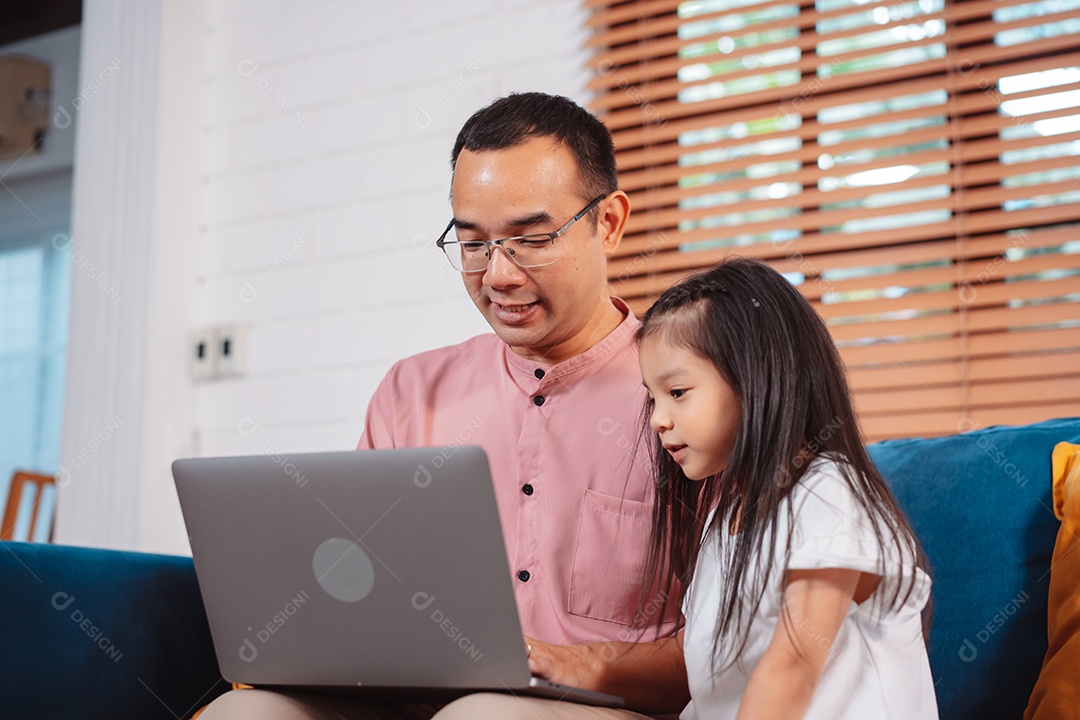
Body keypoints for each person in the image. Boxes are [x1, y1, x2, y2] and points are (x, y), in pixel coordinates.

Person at [198, 93, 687, 720]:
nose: (498, 275)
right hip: (414, 704)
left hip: (597, 707)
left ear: (609, 223)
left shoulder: (687, 392)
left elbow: (739, 638)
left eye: (531, 239)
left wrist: (581, 661)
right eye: (473, 243)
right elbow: (352, 596)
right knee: (242, 715)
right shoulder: (410, 391)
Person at [635, 257, 938, 720]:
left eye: (677, 392)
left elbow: (793, 666)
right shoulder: (723, 519)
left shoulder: (827, 493)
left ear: (755, 377)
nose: (658, 418)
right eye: (652, 397)